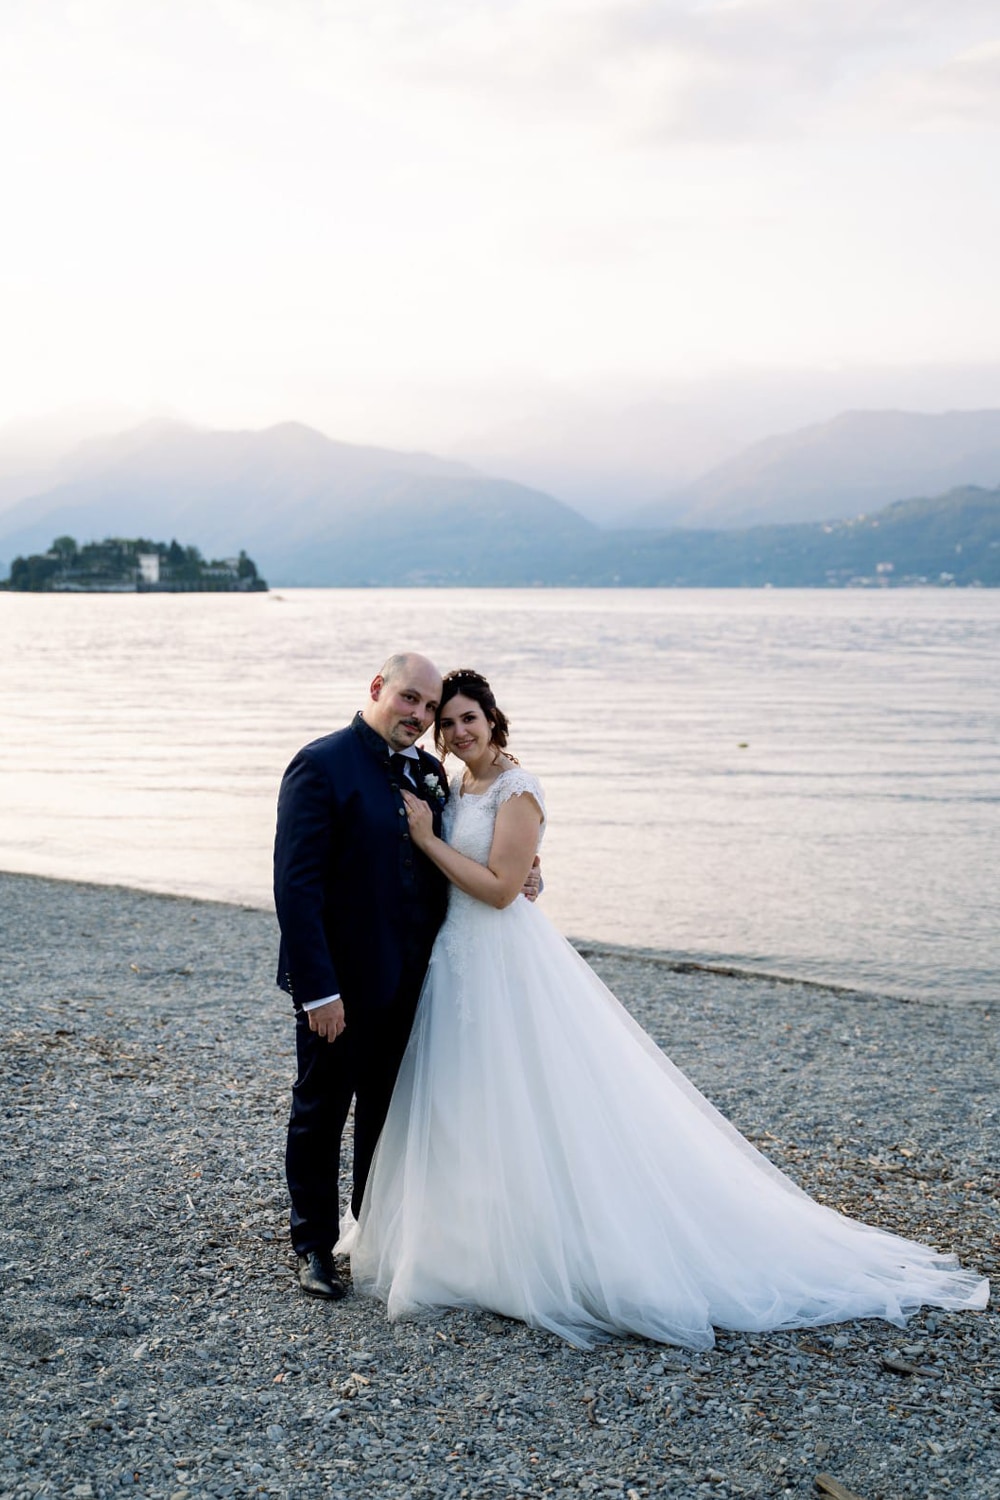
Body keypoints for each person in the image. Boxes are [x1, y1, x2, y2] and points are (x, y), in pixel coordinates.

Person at [341, 668, 989, 1349]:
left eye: (468, 718)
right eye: (447, 722)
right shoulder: (454, 785)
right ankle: (463, 1239)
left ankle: (541, 1247)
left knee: (526, 1096)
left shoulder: (517, 787)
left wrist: (433, 842)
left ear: (492, 719)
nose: (456, 731)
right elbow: (492, 869)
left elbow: (503, 891)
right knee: (463, 1096)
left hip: (501, 958)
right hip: (454, 956)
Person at [273, 652, 541, 1300]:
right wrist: (319, 991)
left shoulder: (429, 772)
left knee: (387, 1116)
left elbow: (459, 852)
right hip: (340, 987)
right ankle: (314, 1246)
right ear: (378, 689)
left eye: (430, 707)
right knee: (321, 1110)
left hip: (416, 982)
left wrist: (526, 866)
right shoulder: (321, 765)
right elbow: (296, 889)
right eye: (410, 699)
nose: (420, 716)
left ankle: (374, 1232)